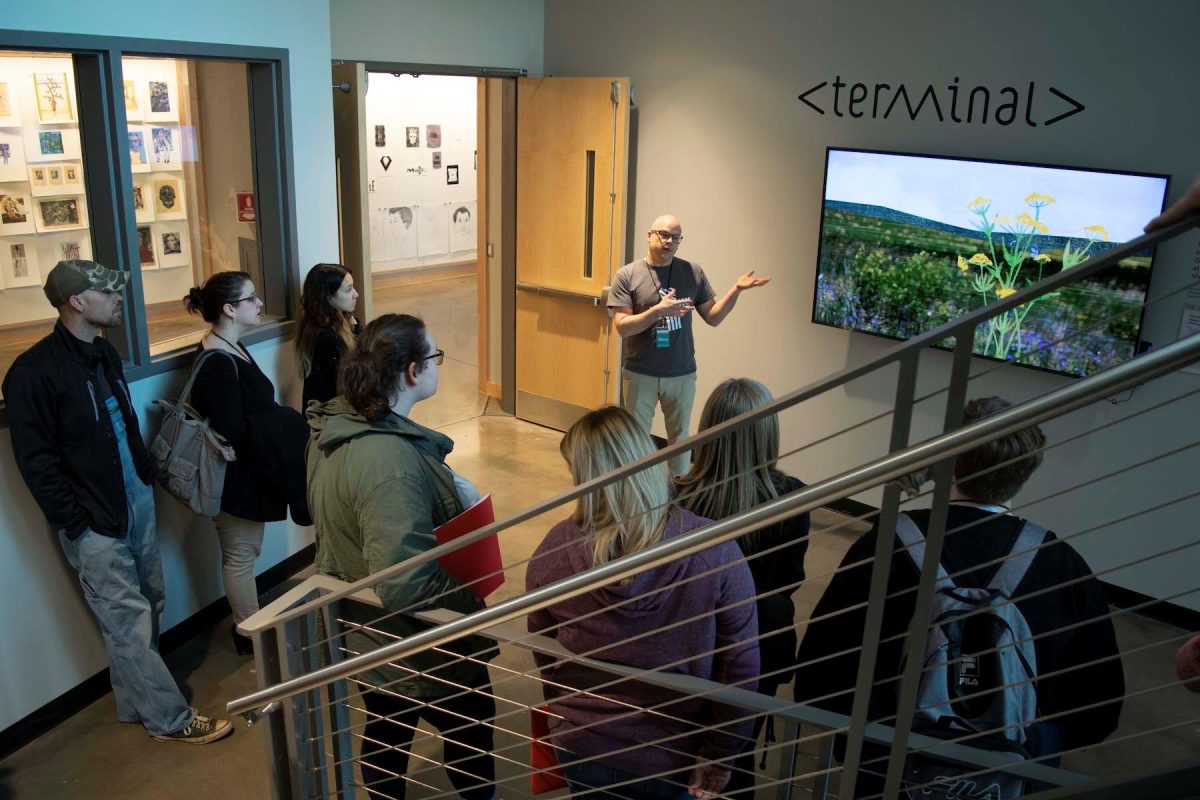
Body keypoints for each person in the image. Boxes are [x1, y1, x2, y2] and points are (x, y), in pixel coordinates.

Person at [794, 396, 1124, 795]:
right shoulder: (1062, 566)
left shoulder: (886, 543)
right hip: (1008, 778)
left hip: (886, 769)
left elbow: (818, 677)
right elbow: (1099, 711)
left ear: (948, 460)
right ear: (1028, 470)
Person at [3, 260, 231, 744]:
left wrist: (145, 477)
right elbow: (37, 463)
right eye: (106, 293)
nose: (118, 299)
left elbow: (122, 421)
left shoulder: (102, 353)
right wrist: (76, 523)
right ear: (76, 302)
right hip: (92, 521)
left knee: (150, 601)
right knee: (127, 619)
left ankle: (134, 703)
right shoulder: (32, 374)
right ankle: (169, 719)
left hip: (134, 500)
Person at [306, 313, 496, 800]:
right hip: (421, 647)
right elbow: (405, 583)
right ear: (412, 371)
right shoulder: (390, 462)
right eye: (434, 356)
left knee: (387, 731)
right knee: (470, 735)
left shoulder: (337, 429)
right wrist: (474, 592)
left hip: (374, 640)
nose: (438, 365)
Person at [526, 405, 761, 800]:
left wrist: (570, 712)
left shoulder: (554, 550)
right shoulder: (713, 551)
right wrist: (721, 754)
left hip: (583, 745)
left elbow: (545, 649)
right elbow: (740, 669)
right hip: (674, 756)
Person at [674, 378, 810, 796]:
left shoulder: (677, 499)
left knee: (679, 750)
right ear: (767, 434)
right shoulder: (792, 500)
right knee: (737, 756)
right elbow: (789, 579)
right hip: (759, 650)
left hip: (688, 646)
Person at [185, 271, 310, 655]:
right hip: (233, 479)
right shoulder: (219, 361)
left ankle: (249, 625)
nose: (259, 304)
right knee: (240, 555)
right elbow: (234, 428)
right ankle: (247, 631)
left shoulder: (231, 346)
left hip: (245, 473)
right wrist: (284, 420)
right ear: (229, 308)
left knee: (245, 552)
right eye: (251, 299)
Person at [607, 214, 770, 476]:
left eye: (676, 237)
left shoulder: (692, 272)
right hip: (640, 372)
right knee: (634, 439)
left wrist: (735, 290)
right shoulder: (627, 275)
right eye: (664, 234)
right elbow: (623, 327)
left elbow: (713, 317)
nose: (669, 241)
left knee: (680, 439)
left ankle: (678, 500)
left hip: (681, 373)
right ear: (649, 235)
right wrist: (657, 312)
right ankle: (636, 493)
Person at [296, 262, 359, 408]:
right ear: (329, 298)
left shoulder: (317, 326)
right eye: (349, 290)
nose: (356, 294)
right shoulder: (328, 339)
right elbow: (354, 384)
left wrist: (354, 325)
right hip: (330, 421)